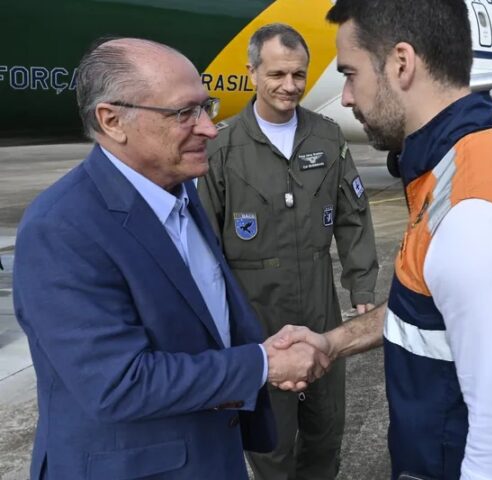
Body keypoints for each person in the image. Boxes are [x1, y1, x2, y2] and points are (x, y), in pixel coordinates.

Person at [274, 1, 492, 478]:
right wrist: (332, 343)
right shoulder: (457, 161)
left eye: (350, 74)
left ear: (402, 64)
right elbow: (436, 311)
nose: (346, 97)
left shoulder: (475, 216)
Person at [12, 38, 328, 479]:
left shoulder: (176, 189)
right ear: (112, 120)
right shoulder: (62, 228)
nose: (209, 128)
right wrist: (262, 363)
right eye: (184, 113)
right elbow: (118, 383)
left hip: (210, 455)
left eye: (206, 107)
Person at [197, 24, 379, 480]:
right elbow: (204, 244)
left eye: (299, 75)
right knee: (271, 439)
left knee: (325, 428)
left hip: (320, 307)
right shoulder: (221, 148)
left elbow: (352, 214)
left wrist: (361, 282)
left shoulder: (327, 136)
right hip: (256, 315)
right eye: (277, 74)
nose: (289, 86)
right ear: (252, 73)